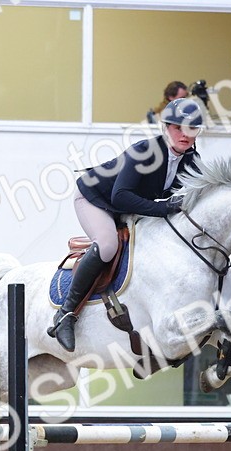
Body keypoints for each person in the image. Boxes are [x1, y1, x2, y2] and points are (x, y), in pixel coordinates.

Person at [48, 97, 205, 352]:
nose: (185, 134)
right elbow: (120, 196)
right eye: (179, 127)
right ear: (165, 127)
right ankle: (66, 314)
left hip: (127, 207)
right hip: (95, 198)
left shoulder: (192, 161)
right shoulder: (145, 152)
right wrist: (162, 208)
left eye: (192, 129)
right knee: (108, 245)